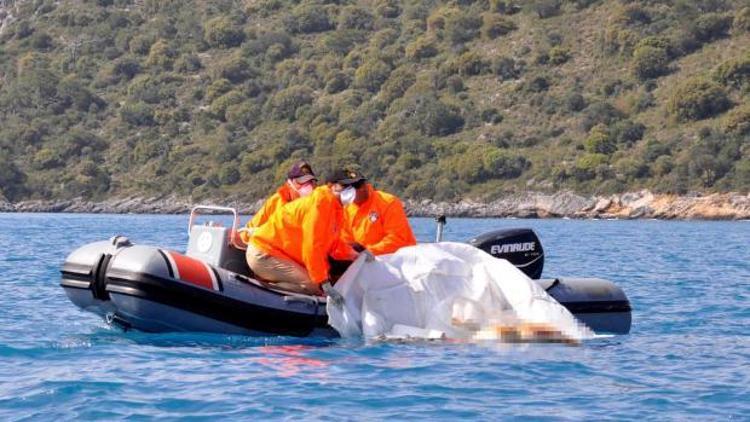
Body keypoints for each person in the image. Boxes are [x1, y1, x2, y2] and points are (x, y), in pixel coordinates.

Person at [245, 179, 358, 298]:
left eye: (352, 187)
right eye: (345, 187)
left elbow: (332, 243)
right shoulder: (318, 206)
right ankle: (259, 291)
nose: (349, 191)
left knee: (317, 280)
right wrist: (324, 283)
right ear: (333, 186)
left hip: (279, 253)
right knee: (313, 286)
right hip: (264, 253)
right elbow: (312, 248)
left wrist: (353, 254)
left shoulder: (334, 209)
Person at [330, 167, 416, 256]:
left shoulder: (388, 202)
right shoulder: (347, 209)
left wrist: (367, 252)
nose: (360, 188)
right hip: (366, 260)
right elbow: (346, 239)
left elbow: (397, 239)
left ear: (364, 185)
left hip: (397, 260)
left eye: (359, 185)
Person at [238, 160, 317, 245]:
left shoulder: (317, 203)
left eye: (309, 182)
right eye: (301, 182)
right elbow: (253, 225)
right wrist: (240, 238)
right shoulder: (277, 201)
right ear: (290, 183)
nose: (307, 186)